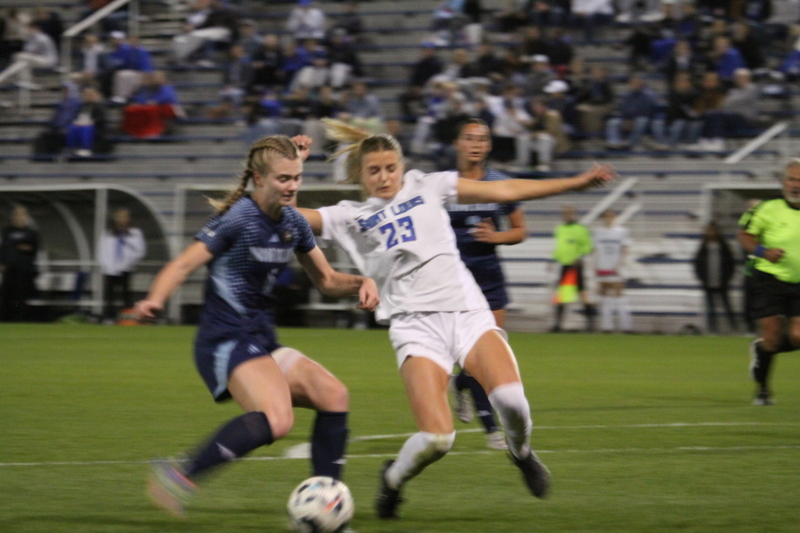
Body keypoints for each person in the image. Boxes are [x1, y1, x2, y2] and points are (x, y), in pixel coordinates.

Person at [298, 119, 615, 518]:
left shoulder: (428, 185)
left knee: (512, 401)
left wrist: (574, 183)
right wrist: (281, 176)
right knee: (437, 438)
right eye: (374, 170)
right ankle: (392, 480)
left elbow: (505, 190)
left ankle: (521, 453)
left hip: (466, 310)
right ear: (360, 175)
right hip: (415, 327)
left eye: (390, 168)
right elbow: (290, 216)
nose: (384, 177)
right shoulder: (349, 215)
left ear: (402, 166)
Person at [136, 135, 380, 518]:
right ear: (258, 178)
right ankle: (178, 475)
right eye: (284, 179)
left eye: (297, 178)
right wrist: (155, 299)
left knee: (334, 395)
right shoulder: (237, 220)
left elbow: (328, 280)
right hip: (225, 339)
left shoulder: (294, 223)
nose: (293, 186)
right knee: (278, 419)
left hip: (260, 340)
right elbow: (183, 264)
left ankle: (327, 504)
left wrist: (362, 283)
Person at [446, 119, 527, 450]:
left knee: (494, 352)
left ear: (489, 146)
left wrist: (496, 236)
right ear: (458, 144)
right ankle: (492, 429)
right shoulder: (444, 186)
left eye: (482, 139)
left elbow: (520, 230)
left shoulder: (499, 184)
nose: (476, 144)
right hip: (454, 280)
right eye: (469, 138)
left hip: (489, 277)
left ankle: (460, 383)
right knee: (474, 356)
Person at [738, 159, 800, 406]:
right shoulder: (767, 208)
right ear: (783, 182)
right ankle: (763, 389)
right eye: (792, 179)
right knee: (773, 336)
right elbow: (744, 235)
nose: (796, 185)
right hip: (768, 279)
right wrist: (763, 252)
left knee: (798, 337)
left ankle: (761, 349)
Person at [550, 205, 595, 332]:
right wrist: (553, 260)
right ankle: (558, 324)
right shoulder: (560, 229)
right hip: (564, 265)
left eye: (569, 213)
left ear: (574, 214)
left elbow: (588, 246)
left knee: (581, 293)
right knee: (564, 294)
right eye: (565, 213)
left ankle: (590, 325)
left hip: (575, 264)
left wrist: (579, 256)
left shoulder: (580, 229)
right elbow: (559, 247)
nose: (567, 215)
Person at [97, 208, 146, 321]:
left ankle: (126, 317)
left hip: (126, 267)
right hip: (110, 268)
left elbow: (140, 251)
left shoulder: (134, 233)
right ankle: (109, 317)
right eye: (120, 217)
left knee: (126, 294)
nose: (122, 220)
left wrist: (129, 260)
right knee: (109, 294)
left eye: (124, 217)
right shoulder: (108, 233)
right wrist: (105, 265)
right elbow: (102, 251)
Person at [694, 220, 737, 333]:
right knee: (711, 308)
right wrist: (703, 279)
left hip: (722, 282)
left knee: (727, 307)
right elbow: (697, 265)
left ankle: (734, 328)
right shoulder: (703, 248)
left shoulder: (723, 247)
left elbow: (731, 264)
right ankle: (713, 329)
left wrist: (727, 278)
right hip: (708, 283)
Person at [594, 209, 632, 333]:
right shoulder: (598, 232)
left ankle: (626, 327)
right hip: (603, 267)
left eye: (610, 216)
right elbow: (596, 251)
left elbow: (625, 249)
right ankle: (607, 327)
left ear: (614, 217)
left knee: (619, 295)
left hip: (616, 268)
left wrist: (621, 264)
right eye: (606, 217)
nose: (608, 219)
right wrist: (595, 266)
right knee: (604, 295)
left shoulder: (621, 232)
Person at [0, 205, 39, 322]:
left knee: (21, 297)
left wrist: (21, 247)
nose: (19, 217)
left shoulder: (31, 233)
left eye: (22, 214)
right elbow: (4, 248)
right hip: (9, 269)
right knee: (5, 295)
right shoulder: (7, 231)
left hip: (24, 269)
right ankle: (5, 319)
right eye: (17, 214)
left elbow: (33, 248)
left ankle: (20, 319)